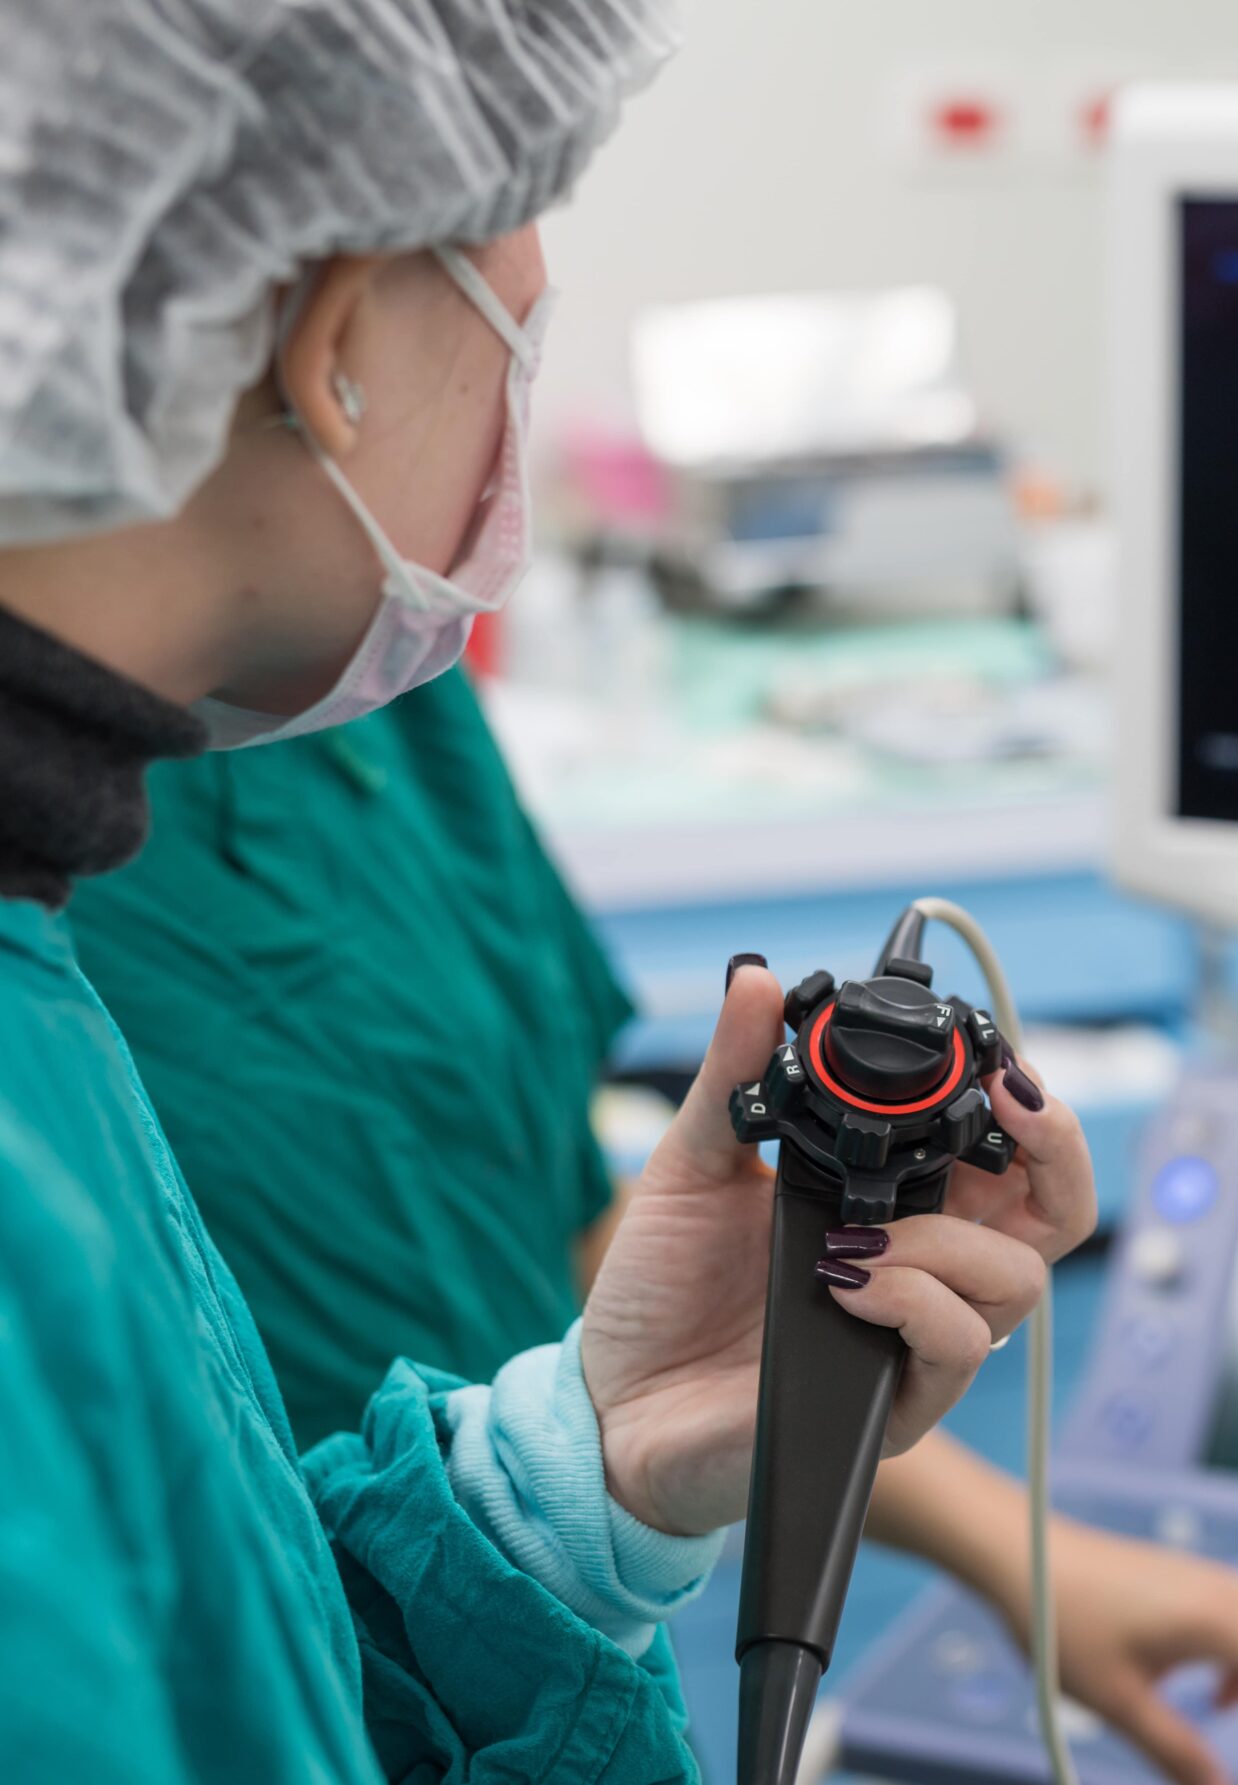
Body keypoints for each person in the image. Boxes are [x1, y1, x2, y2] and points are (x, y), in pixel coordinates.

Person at [0, 4, 1083, 1777]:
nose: (530, 307)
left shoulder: (41, 936)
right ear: (335, 335)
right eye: (515, 222)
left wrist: (570, 1486)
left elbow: (223, 1682)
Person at [68, 661, 1238, 1784]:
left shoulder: (368, 683)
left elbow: (573, 1216)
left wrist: (584, 1473)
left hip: (491, 1630)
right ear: (314, 347)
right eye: (499, 319)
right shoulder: (49, 957)